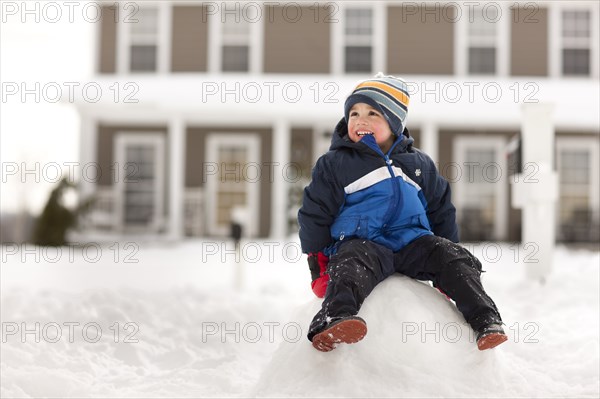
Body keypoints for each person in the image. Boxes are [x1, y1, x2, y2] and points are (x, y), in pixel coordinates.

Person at [298, 74, 507, 352]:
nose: (360, 120)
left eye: (373, 113)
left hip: (413, 243)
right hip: (364, 243)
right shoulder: (336, 163)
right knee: (350, 264)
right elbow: (315, 211)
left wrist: (447, 250)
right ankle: (335, 318)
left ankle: (485, 319)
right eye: (354, 113)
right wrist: (317, 259)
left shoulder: (419, 164)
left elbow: (440, 208)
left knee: (454, 258)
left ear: (395, 122)